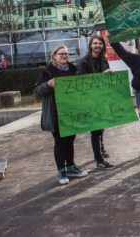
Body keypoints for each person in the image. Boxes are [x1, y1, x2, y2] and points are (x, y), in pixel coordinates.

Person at [34, 45, 88, 185]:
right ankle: (61, 171)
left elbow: (85, 83)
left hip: (72, 111)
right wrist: (47, 85)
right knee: (60, 142)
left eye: (66, 53)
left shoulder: (74, 69)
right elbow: (37, 91)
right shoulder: (48, 71)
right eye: (61, 53)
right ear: (54, 56)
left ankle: (71, 166)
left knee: (70, 140)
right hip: (56, 113)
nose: (64, 56)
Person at [77, 35, 114, 170]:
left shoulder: (104, 60)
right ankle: (99, 160)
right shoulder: (83, 62)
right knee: (95, 130)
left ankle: (101, 149)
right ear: (91, 45)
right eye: (95, 43)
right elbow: (81, 81)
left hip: (101, 99)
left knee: (101, 127)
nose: (98, 45)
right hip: (90, 100)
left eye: (100, 43)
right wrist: (101, 76)